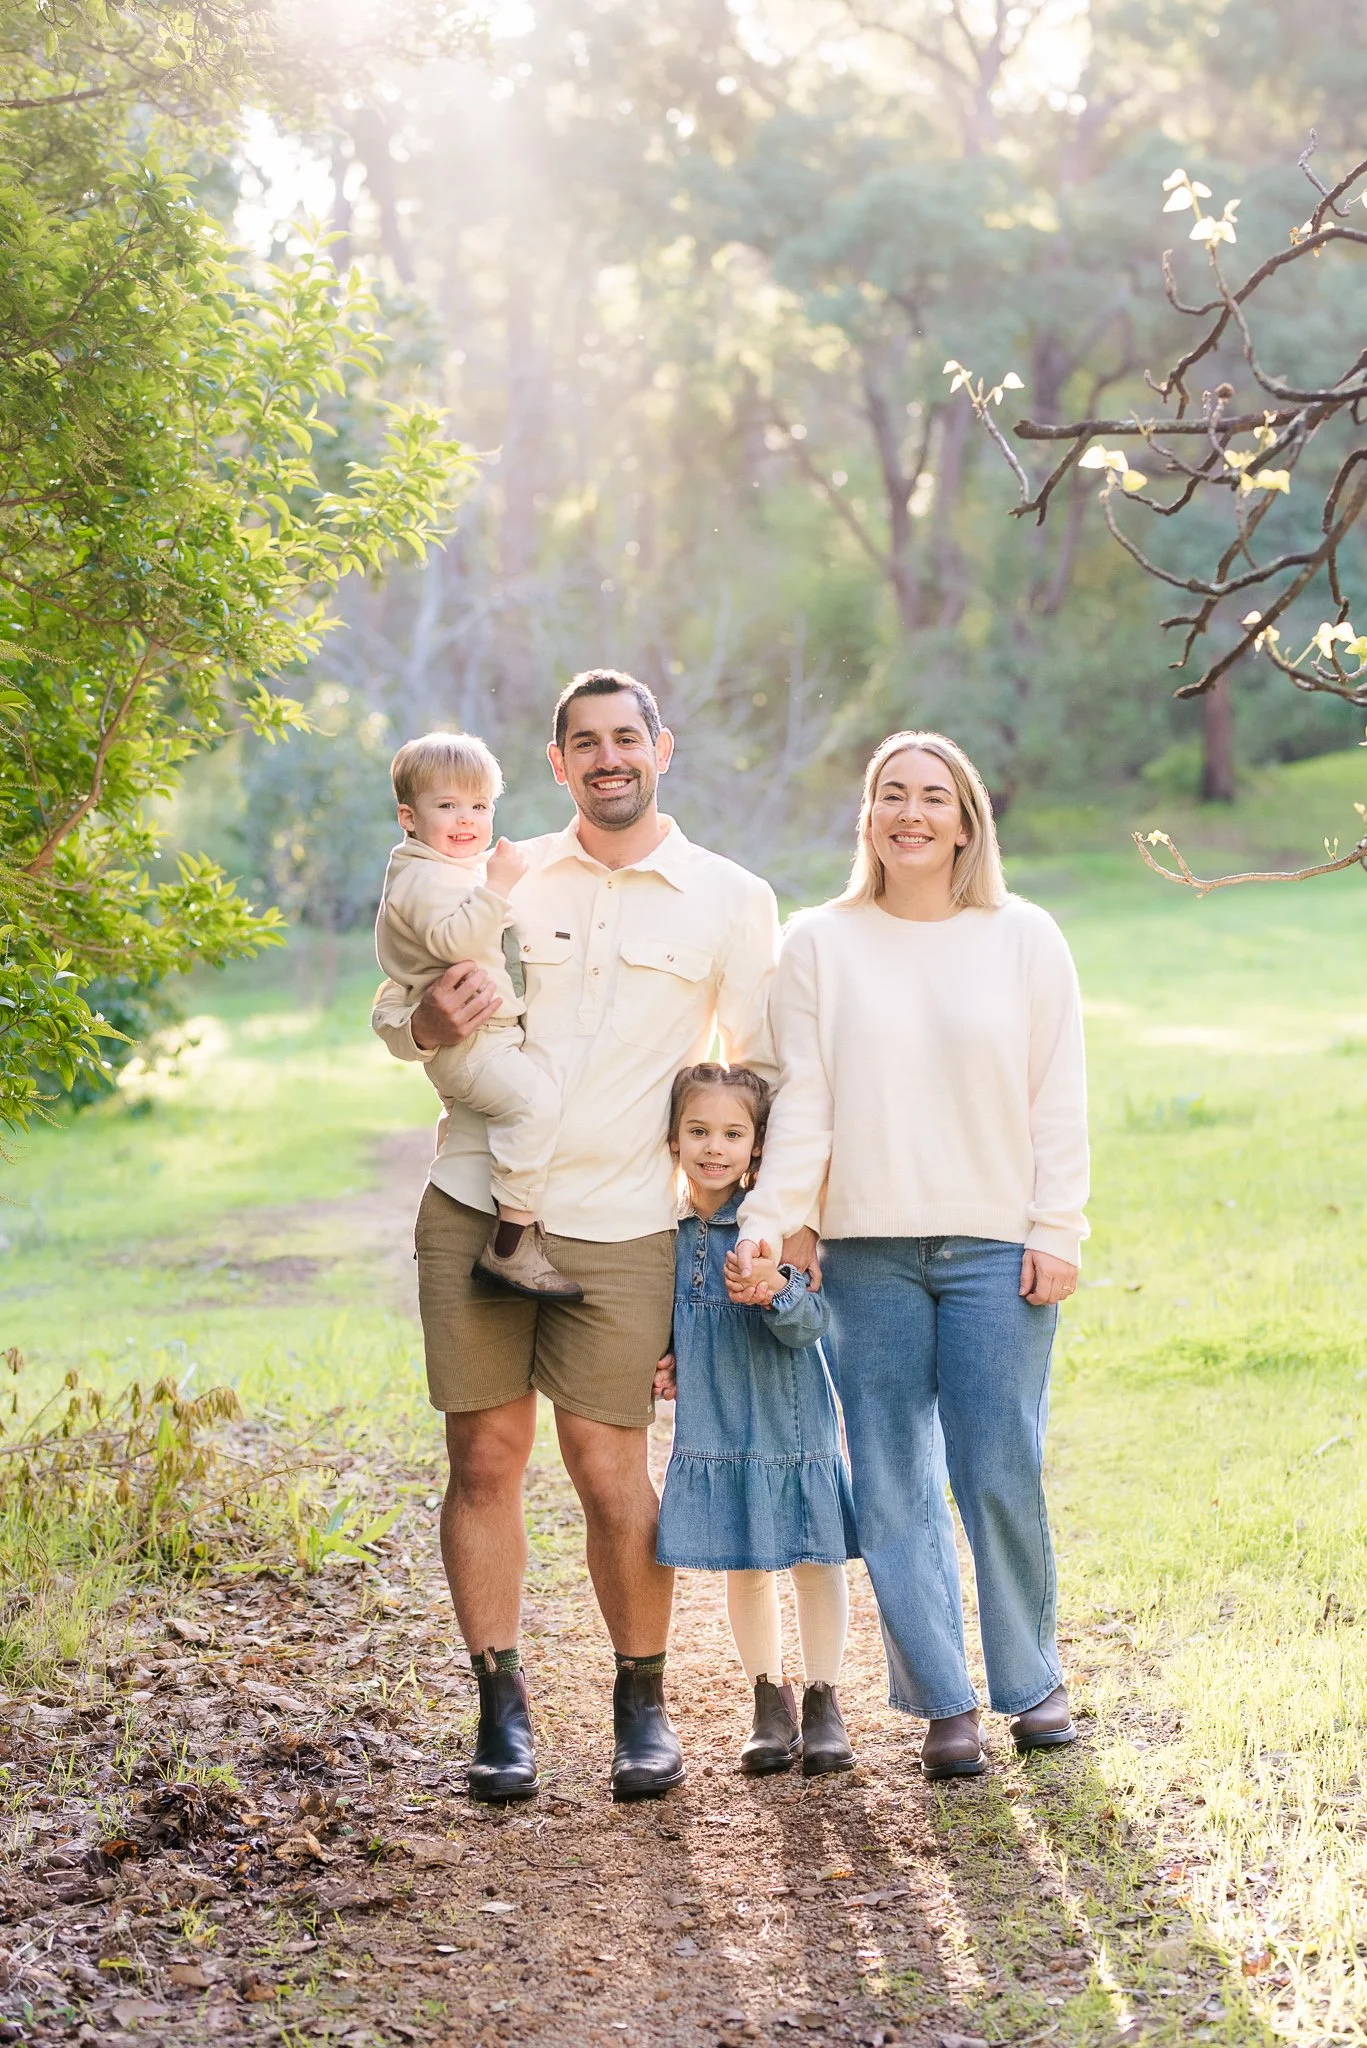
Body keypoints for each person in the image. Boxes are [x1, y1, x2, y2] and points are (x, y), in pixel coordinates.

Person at [371, 669, 812, 1802]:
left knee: (610, 1466)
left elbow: (759, 1075)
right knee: (483, 1458)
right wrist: (415, 1024)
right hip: (475, 1200)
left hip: (620, 1227)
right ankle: (500, 1705)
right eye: (584, 741)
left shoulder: (728, 895)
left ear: (663, 747)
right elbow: (403, 988)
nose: (608, 755)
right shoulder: (495, 868)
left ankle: (640, 1701)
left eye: (628, 736)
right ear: (558, 762)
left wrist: (746, 1232)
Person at [730, 730, 1089, 1780]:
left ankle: (1030, 1680)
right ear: (868, 816)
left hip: (994, 1244)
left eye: (932, 795)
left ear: (966, 819)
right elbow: (801, 1105)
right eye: (891, 793)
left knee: (997, 1466)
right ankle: (943, 1701)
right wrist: (771, 1220)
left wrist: (1055, 1227)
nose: (910, 811)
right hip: (866, 1250)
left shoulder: (1024, 937)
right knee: (889, 1477)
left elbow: (1055, 1097)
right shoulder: (818, 943)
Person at [655, 1063, 858, 1778]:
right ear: (673, 1139)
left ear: (758, 1144)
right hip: (717, 1421)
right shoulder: (668, 1231)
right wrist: (665, 1357)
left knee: (812, 1556)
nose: (715, 1147)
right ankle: (767, 1701)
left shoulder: (776, 1228)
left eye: (732, 1133)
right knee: (745, 1560)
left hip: (790, 1415)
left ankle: (824, 1700)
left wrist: (774, 1290)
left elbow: (808, 1328)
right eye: (699, 1131)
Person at [375, 730, 579, 1301]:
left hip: (490, 1036)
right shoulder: (421, 877)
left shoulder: (448, 866)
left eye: (480, 806)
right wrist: (498, 885)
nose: (467, 819)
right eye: (448, 806)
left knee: (492, 1109)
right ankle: (513, 1242)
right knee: (535, 1104)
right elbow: (453, 939)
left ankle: (466, 1143)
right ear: (408, 818)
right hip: (475, 1038)